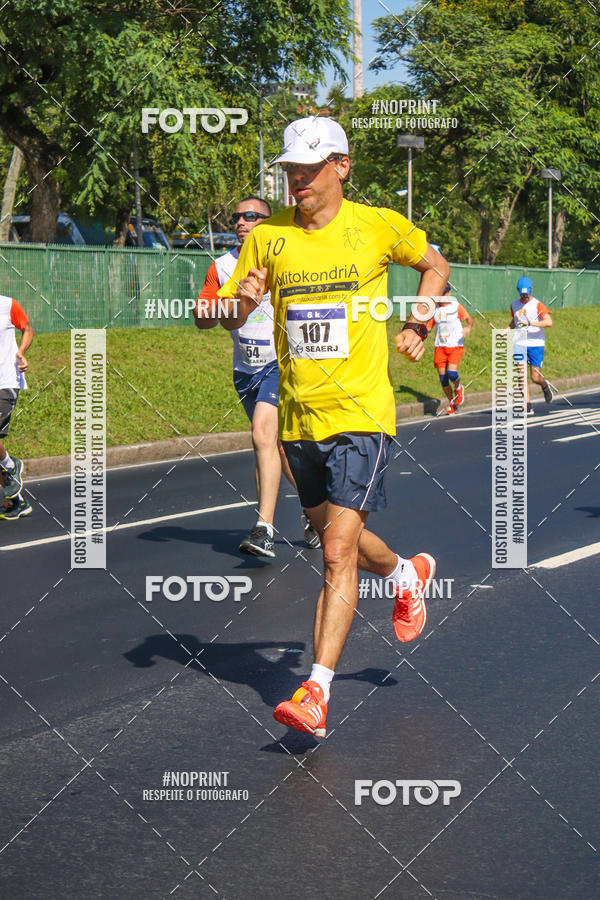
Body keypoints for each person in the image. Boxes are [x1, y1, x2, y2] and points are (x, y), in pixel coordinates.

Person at [217, 117, 449, 737]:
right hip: (298, 417)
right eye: (290, 170)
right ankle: (406, 573)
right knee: (328, 536)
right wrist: (245, 299)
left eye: (308, 170)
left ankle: (315, 694)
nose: (297, 181)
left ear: (341, 166)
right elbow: (227, 317)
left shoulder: (375, 225)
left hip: (363, 415)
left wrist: (420, 324)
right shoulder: (266, 237)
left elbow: (436, 264)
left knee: (338, 552)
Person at [195, 196, 320, 558]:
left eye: (251, 216)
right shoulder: (222, 267)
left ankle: (263, 528)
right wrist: (221, 304)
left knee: (262, 434)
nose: (241, 221)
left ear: (268, 223)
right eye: (237, 216)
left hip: (281, 363)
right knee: (277, 448)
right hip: (245, 369)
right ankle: (315, 510)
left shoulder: (282, 259)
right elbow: (202, 318)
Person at [0, 293, 33, 520]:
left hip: (6, 380)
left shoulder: (7, 304)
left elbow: (27, 328)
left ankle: (11, 467)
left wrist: (20, 353)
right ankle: (16, 502)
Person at [509, 276, 553, 415]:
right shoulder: (514, 305)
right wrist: (506, 330)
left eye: (526, 294)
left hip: (536, 343)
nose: (524, 297)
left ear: (531, 290)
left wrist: (531, 323)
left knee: (535, 377)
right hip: (520, 343)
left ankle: (545, 385)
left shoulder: (537, 305)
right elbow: (514, 321)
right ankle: (527, 405)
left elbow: (548, 322)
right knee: (521, 374)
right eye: (522, 294)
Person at [430, 284, 473, 415]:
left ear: (448, 294)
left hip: (455, 345)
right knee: (443, 378)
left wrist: (468, 328)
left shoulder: (456, 306)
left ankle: (458, 387)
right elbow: (428, 326)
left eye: (443, 294)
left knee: (451, 374)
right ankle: (452, 403)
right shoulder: (435, 310)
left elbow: (469, 319)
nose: (441, 297)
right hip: (440, 346)